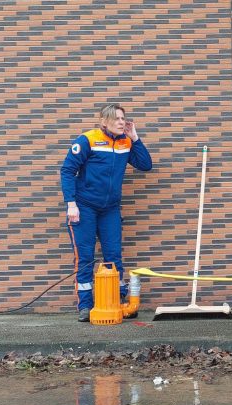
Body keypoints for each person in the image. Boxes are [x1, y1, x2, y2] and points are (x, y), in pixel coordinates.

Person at [60, 104, 153, 322]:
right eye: (117, 119)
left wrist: (136, 139)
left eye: (123, 118)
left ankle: (117, 301)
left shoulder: (125, 142)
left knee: (113, 256)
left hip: (110, 208)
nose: (122, 122)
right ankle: (85, 306)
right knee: (85, 257)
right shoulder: (87, 140)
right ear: (104, 121)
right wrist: (71, 204)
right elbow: (67, 171)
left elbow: (145, 165)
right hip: (85, 207)